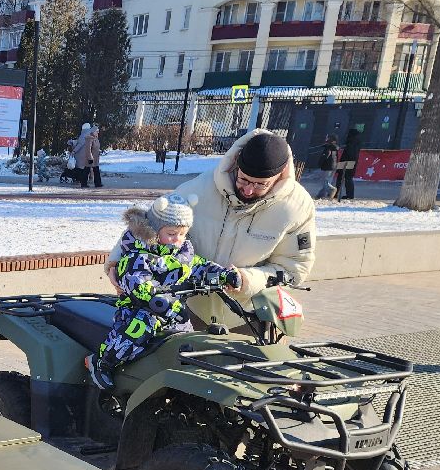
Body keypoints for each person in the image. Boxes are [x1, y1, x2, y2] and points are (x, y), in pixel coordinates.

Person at [87, 193, 240, 389]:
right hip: (139, 310)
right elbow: (136, 282)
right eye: (171, 233)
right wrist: (160, 302)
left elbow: (200, 266)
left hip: (174, 312)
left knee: (187, 340)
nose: (178, 239)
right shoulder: (138, 254)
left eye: (183, 234)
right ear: (155, 230)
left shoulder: (182, 254)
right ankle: (103, 362)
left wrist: (224, 275)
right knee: (140, 328)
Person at [167, 129, 317, 299]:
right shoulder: (197, 189)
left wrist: (247, 280)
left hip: (247, 314)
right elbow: (158, 226)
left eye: (261, 185)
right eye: (243, 179)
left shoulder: (296, 207)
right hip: (190, 310)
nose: (248, 189)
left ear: (279, 176)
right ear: (236, 164)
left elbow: (294, 268)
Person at [68, 123, 101, 188]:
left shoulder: (84, 134)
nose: (97, 132)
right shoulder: (88, 135)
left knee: (85, 169)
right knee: (88, 169)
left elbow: (80, 144)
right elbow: (84, 145)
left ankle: (88, 182)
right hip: (87, 155)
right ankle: (90, 182)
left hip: (84, 155)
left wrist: (74, 151)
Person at [336, 126, 362, 200]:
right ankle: (349, 194)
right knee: (347, 178)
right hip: (351, 161)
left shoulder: (351, 142)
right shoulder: (356, 142)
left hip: (347, 161)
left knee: (343, 178)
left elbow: (350, 153)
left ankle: (337, 192)